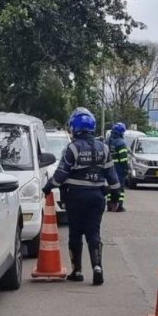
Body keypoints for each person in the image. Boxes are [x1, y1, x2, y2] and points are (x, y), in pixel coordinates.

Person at [43, 107, 121, 285]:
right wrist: (115, 198)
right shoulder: (104, 148)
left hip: (76, 198)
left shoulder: (72, 148)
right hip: (97, 198)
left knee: (75, 234)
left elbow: (61, 174)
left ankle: (77, 271)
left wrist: (47, 188)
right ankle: (97, 267)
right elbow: (113, 176)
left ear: (75, 127)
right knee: (94, 232)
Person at [107, 122, 129, 212]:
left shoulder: (107, 141)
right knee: (120, 187)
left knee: (110, 187)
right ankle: (119, 206)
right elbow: (123, 159)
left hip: (109, 167)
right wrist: (126, 169)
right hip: (119, 168)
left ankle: (109, 205)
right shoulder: (121, 143)